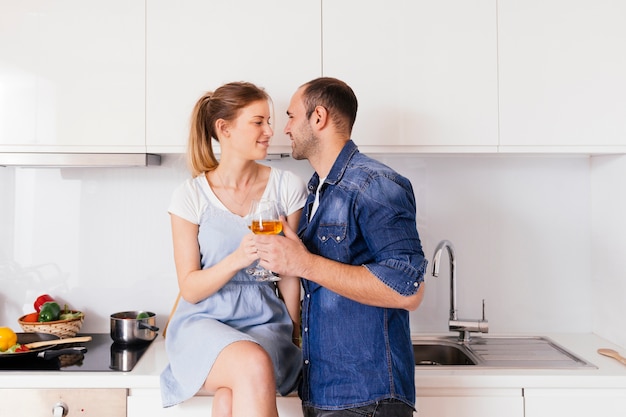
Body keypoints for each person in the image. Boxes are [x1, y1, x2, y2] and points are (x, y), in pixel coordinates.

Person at [253, 77, 427, 417]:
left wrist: (303, 264)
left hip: (367, 397)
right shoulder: (318, 191)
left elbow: (408, 290)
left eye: (290, 116)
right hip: (324, 392)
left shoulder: (375, 184)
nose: (284, 128)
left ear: (318, 118)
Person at [160, 81, 307, 417]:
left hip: (266, 323)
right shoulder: (190, 196)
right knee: (251, 364)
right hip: (202, 323)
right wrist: (238, 258)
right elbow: (191, 289)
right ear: (223, 129)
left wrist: (294, 334)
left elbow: (288, 272)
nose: (270, 131)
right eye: (258, 122)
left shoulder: (287, 187)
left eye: (269, 121)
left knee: (228, 400)